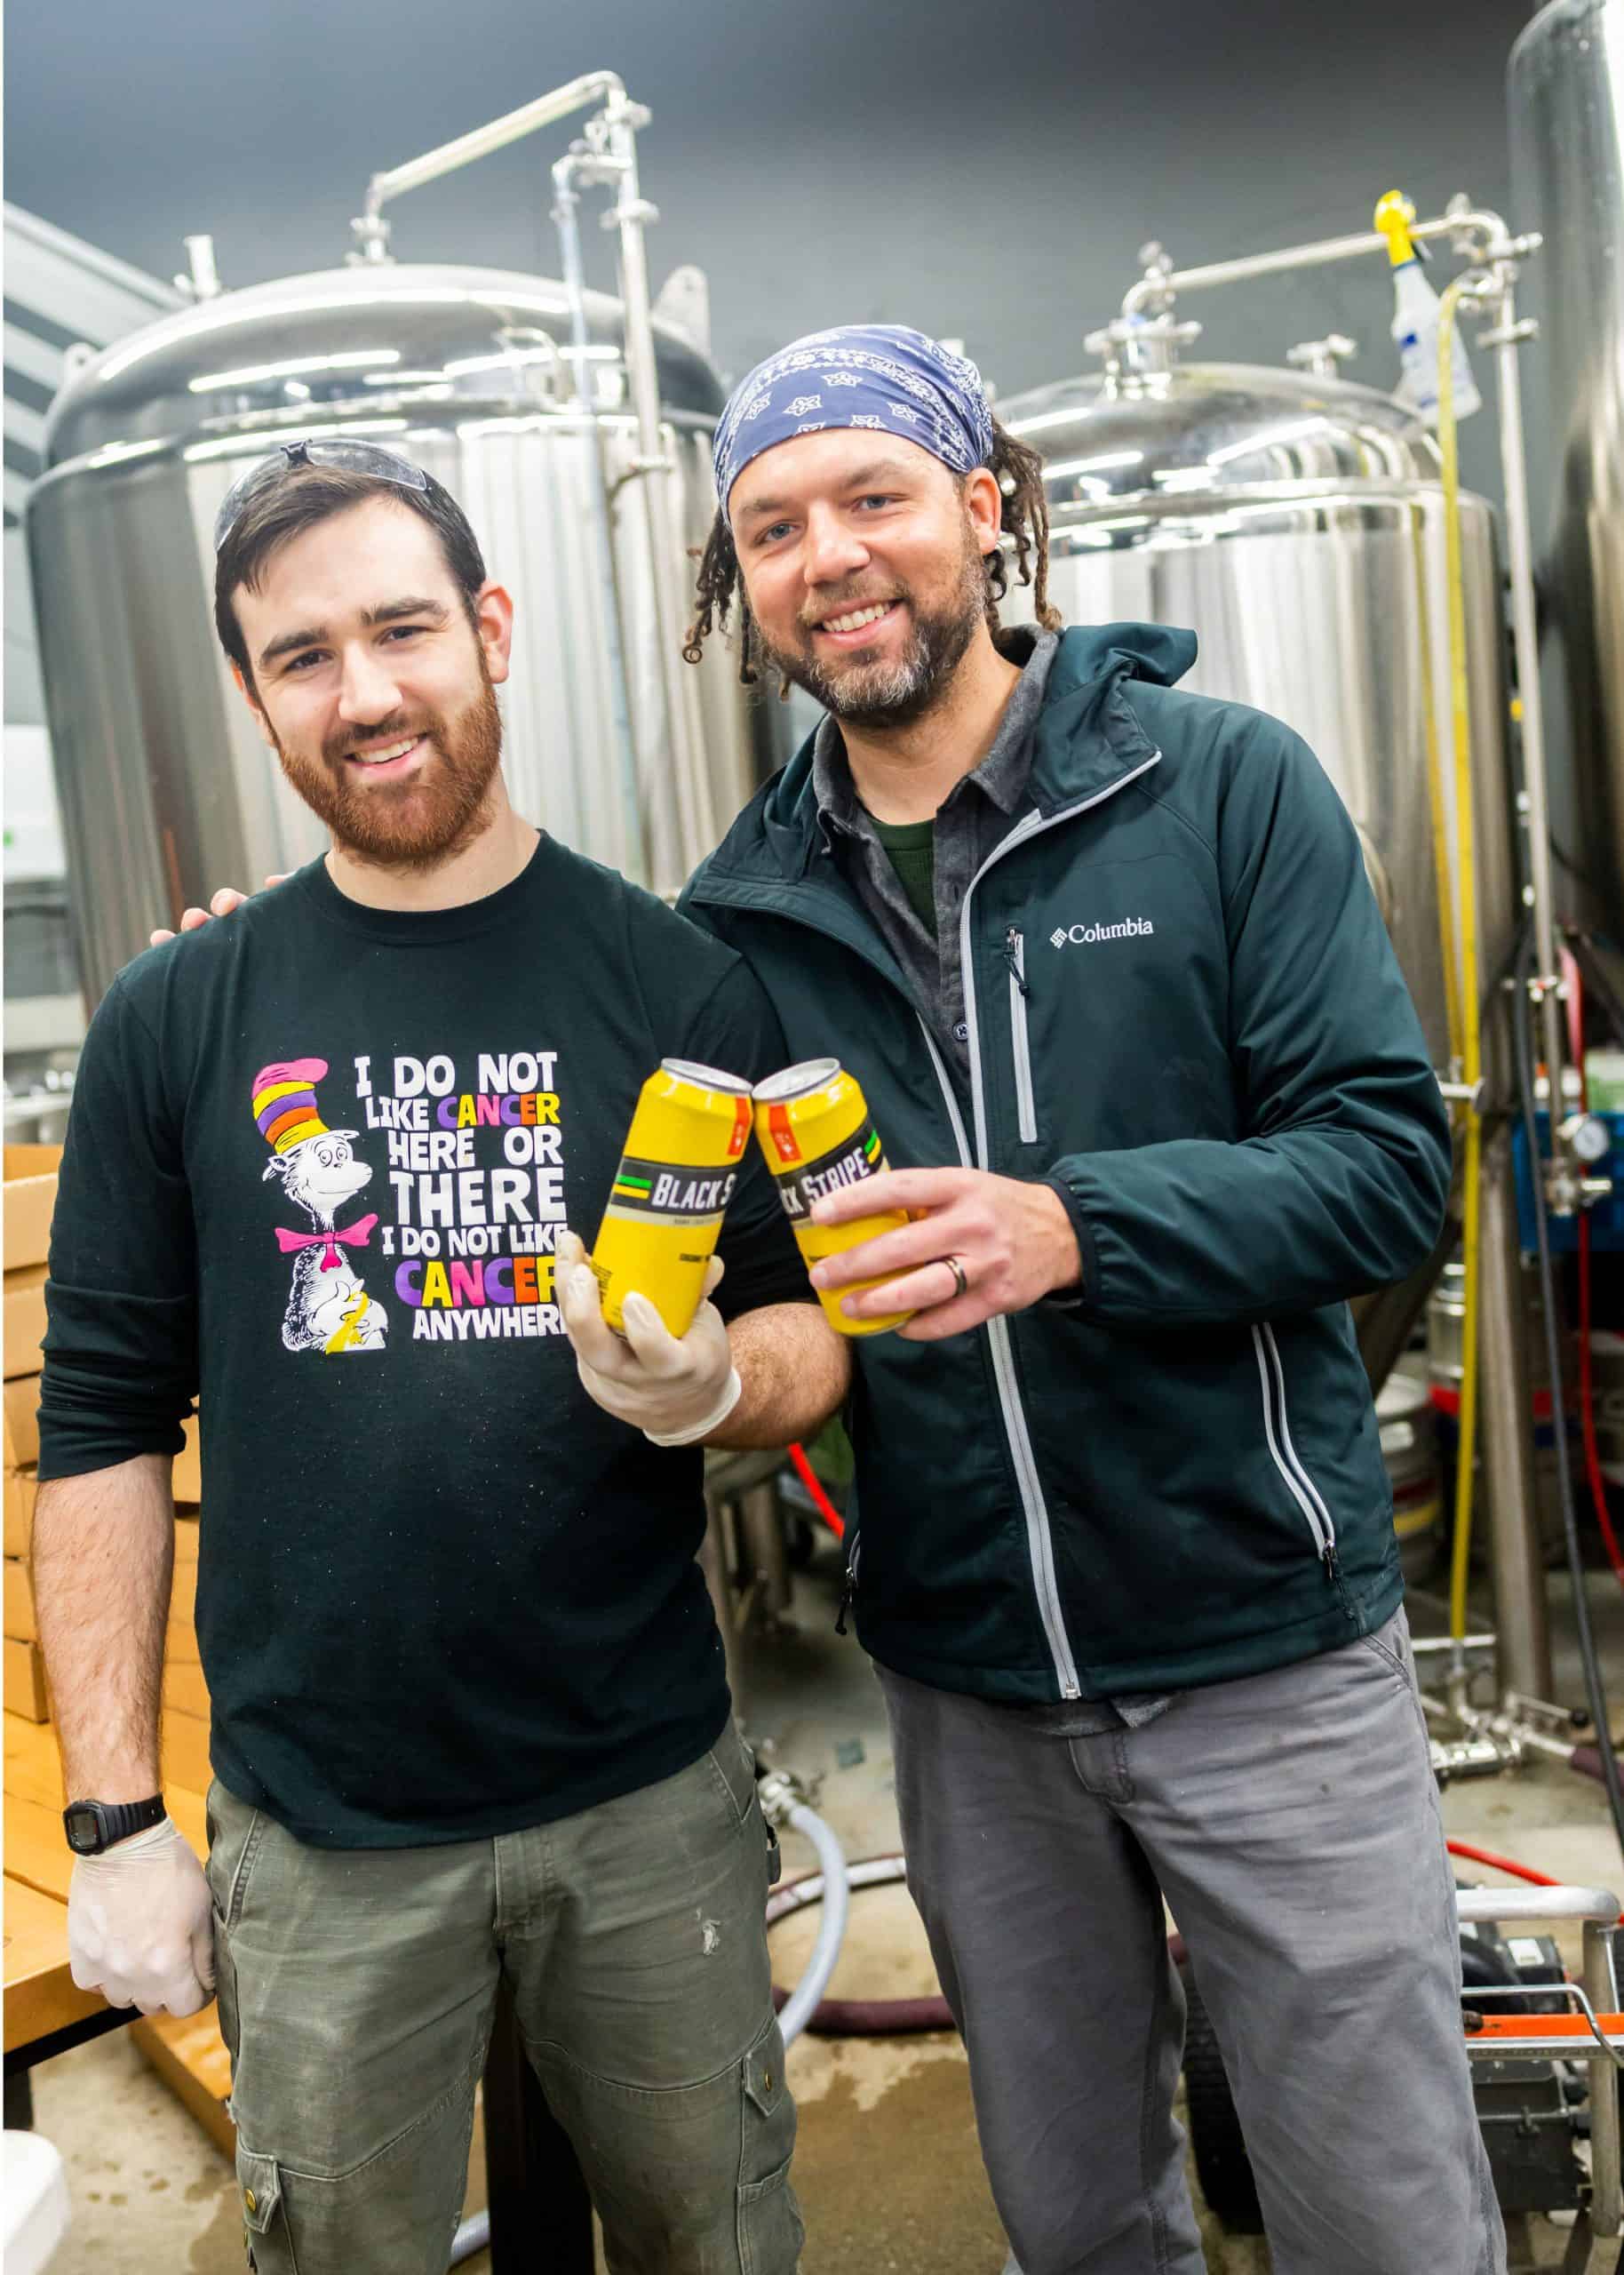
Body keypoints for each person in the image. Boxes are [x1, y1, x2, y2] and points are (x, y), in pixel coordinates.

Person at [665, 326, 1498, 2275]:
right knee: (1076, 2223)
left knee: (1381, 2213)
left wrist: (1069, 1229)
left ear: (980, 504)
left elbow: (1385, 1161)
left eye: (870, 496)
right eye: (773, 524)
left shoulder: (1215, 788)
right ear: (741, 581)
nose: (829, 555)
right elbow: (772, 1296)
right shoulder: (734, 914)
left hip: (1261, 1646)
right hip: (967, 1691)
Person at [34, 439, 848, 2275]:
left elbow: (811, 1322)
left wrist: (726, 1386)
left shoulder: (671, 982)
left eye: (401, 628)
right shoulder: (178, 1016)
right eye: (301, 654)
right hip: (321, 1836)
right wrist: (115, 1824)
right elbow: (94, 1420)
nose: (366, 690)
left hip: (645, 1797)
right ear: (250, 693)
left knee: (713, 2238)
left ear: (490, 627)